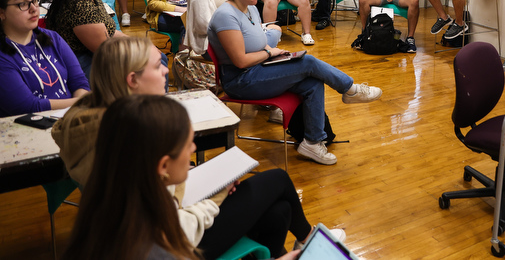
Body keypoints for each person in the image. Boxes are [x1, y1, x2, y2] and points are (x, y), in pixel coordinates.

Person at [54, 38, 340, 259]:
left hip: (183, 215)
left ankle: (288, 249)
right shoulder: (131, 138)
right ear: (133, 80)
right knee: (276, 183)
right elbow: (173, 229)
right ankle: (305, 242)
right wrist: (212, 197)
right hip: (186, 232)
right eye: (158, 66)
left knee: (277, 210)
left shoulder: (117, 127)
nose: (167, 71)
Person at [208, 0, 382, 164]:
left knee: (312, 82)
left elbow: (258, 42)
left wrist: (278, 56)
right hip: (240, 80)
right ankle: (350, 89)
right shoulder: (226, 15)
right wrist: (268, 52)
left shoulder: (250, 9)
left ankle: (313, 143)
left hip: (257, 69)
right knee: (307, 62)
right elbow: (240, 61)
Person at [0, 0, 89, 116]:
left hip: (70, 118)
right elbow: (28, 106)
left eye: (34, 0)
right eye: (22, 4)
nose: (33, 9)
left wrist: (81, 104)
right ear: (2, 13)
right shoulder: (3, 55)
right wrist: (82, 103)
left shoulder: (52, 38)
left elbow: (80, 82)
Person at [47, 0, 125, 77]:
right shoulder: (79, 4)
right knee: (148, 64)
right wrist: (138, 51)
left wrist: (139, 44)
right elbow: (104, 50)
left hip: (90, 56)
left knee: (153, 55)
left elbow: (110, 31)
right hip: (79, 63)